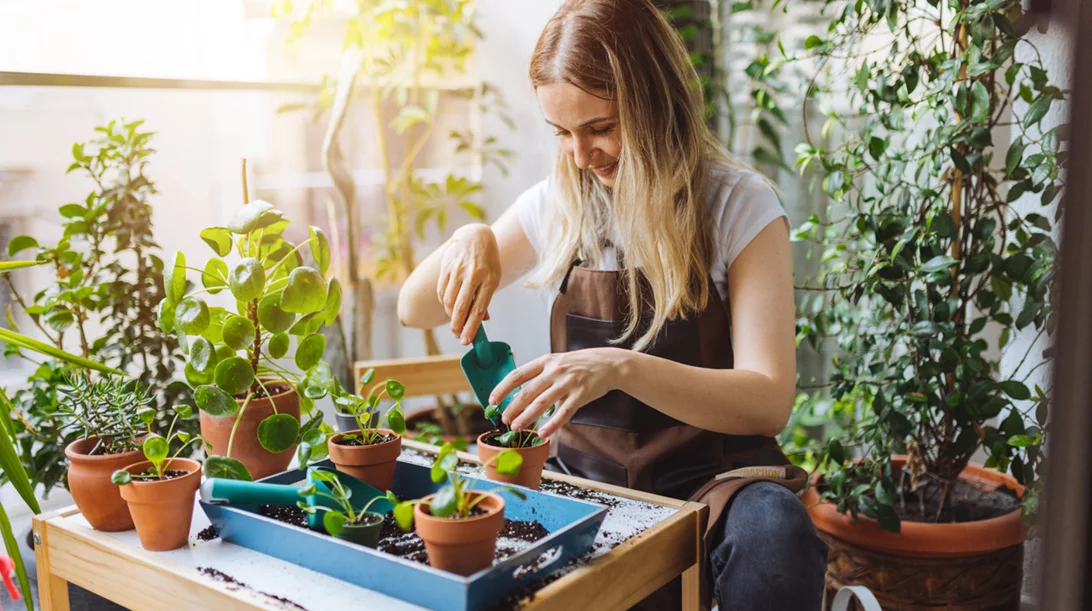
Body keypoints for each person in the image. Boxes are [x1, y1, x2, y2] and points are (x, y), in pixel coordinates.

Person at [397, 0, 828, 608]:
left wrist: (620, 368)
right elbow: (414, 309)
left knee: (776, 537)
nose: (581, 155)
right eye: (562, 133)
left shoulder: (739, 207)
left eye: (600, 128)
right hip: (584, 484)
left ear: (658, 102)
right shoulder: (559, 203)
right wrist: (473, 238)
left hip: (714, 484)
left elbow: (768, 400)